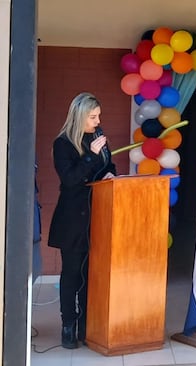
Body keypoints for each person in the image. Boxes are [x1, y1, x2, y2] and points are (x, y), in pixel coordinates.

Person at [49, 92, 116, 349]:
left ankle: (88, 325)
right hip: (73, 218)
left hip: (98, 216)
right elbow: (70, 179)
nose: (98, 121)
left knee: (91, 274)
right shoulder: (63, 143)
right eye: (92, 117)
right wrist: (89, 155)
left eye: (98, 116)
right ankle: (69, 325)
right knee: (72, 274)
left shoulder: (97, 137)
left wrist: (110, 172)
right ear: (79, 116)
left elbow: (108, 164)